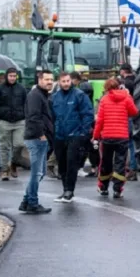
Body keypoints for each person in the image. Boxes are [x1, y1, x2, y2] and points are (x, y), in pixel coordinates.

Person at [51, 72, 94, 203]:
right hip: (59, 136)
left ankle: (70, 190)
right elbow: (51, 117)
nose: (66, 84)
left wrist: (83, 133)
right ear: (59, 82)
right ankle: (65, 190)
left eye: (67, 81)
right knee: (62, 164)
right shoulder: (54, 97)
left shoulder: (79, 95)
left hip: (75, 135)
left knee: (71, 164)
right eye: (63, 81)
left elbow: (88, 114)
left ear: (71, 81)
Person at [93, 78, 138, 198]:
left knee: (105, 162)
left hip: (107, 137)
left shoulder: (104, 99)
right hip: (122, 136)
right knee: (120, 163)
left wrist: (96, 136)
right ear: (119, 86)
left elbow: (100, 120)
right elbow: (134, 112)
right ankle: (117, 189)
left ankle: (103, 187)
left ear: (107, 88)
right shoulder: (126, 97)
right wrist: (129, 97)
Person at [21, 70, 55, 214]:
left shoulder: (42, 95)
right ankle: (32, 203)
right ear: (39, 80)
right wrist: (41, 134)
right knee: (37, 173)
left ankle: (26, 201)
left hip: (39, 137)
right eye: (46, 79)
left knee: (39, 173)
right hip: (36, 138)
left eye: (51, 79)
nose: (49, 82)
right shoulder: (35, 95)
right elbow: (33, 116)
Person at [0, 68, 27, 181]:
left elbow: (26, 103)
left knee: (19, 145)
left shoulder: (21, 88)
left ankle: (13, 164)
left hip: (19, 121)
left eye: (14, 76)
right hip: (4, 121)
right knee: (4, 147)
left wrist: (25, 117)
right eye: (10, 76)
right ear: (7, 76)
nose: (12, 78)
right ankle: (4, 170)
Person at [70, 71, 97, 176]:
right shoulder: (86, 100)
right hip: (84, 127)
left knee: (82, 148)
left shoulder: (77, 96)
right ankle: (91, 167)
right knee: (88, 148)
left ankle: (79, 167)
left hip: (80, 127)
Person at [118, 64, 138, 181]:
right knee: (133, 143)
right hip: (136, 113)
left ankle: (131, 169)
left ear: (122, 71)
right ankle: (134, 168)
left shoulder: (124, 84)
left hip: (127, 115)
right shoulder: (138, 81)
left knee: (128, 143)